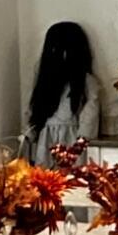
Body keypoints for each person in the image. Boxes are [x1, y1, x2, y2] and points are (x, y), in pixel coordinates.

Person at [25, 21, 98, 157]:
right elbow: (34, 106)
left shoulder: (84, 79)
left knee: (70, 173)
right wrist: (29, 133)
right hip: (46, 140)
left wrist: (83, 138)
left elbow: (91, 108)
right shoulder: (44, 79)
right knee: (46, 175)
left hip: (72, 139)